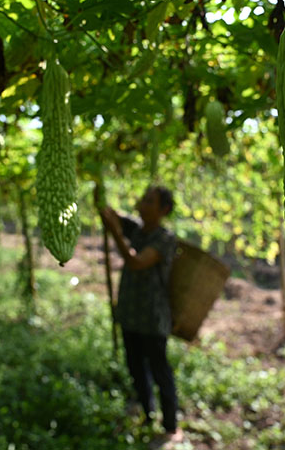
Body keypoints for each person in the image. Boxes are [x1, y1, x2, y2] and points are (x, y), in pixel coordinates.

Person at [98, 185, 183, 444]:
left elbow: (136, 262)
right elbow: (108, 213)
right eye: (143, 198)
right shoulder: (135, 227)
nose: (142, 204)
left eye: (149, 201)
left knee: (160, 370)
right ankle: (148, 414)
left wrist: (114, 232)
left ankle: (170, 427)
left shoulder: (164, 238)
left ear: (163, 210)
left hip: (152, 318)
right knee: (136, 368)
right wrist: (98, 190)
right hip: (130, 314)